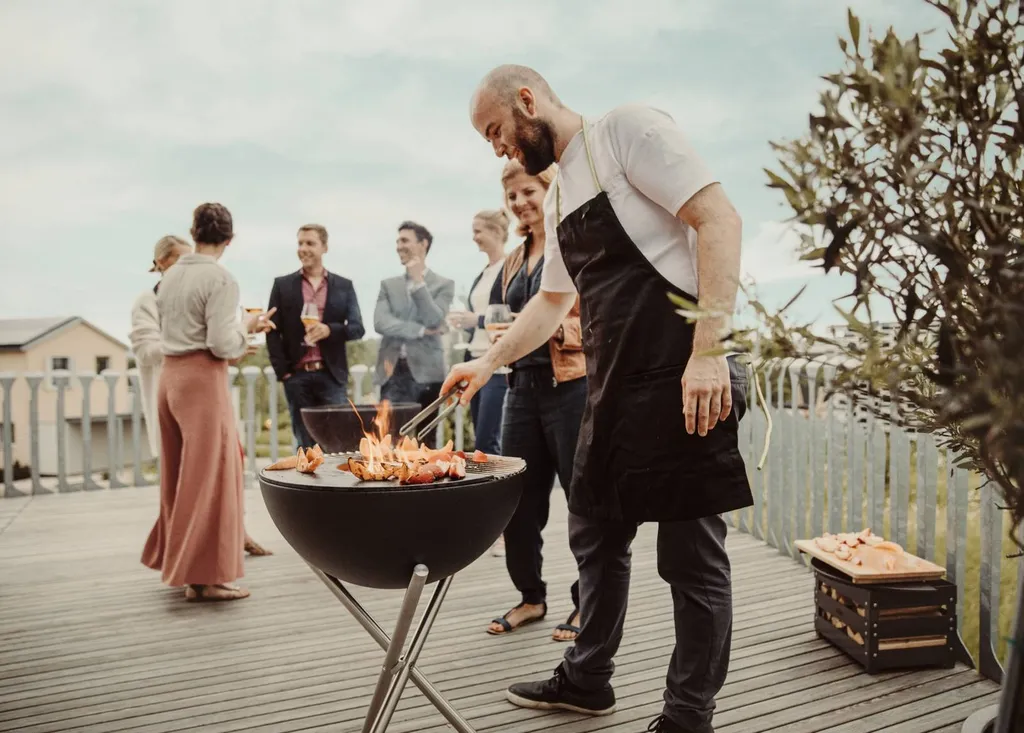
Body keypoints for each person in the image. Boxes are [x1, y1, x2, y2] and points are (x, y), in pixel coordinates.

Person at [443, 65, 753, 733]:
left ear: (528, 101)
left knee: (690, 558)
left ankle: (687, 716)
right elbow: (553, 302)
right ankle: (587, 680)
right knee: (594, 530)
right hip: (614, 386)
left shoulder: (625, 132)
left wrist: (708, 352)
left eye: (495, 130)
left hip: (682, 374)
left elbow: (719, 220)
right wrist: (487, 362)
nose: (496, 148)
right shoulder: (559, 196)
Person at [141, 203, 275, 602]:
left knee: (179, 474)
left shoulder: (169, 278)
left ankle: (181, 563)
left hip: (170, 379)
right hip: (201, 381)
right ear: (229, 239)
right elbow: (220, 344)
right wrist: (246, 328)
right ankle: (206, 579)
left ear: (193, 233)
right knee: (213, 474)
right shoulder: (220, 279)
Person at [480, 159, 586, 643]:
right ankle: (531, 597)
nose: (521, 202)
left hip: (571, 389)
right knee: (517, 504)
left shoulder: (575, 244)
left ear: (550, 189)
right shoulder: (512, 261)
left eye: (528, 192)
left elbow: (598, 321)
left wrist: (550, 331)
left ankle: (587, 602)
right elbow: (501, 320)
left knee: (583, 503)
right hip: (519, 390)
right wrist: (501, 337)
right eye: (512, 196)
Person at [266, 223, 365, 449]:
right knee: (305, 445)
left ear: (324, 247)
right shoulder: (282, 285)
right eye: (300, 243)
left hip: (332, 377)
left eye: (310, 243)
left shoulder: (344, 286)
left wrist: (330, 330)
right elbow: (272, 330)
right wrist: (284, 373)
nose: (303, 248)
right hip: (297, 377)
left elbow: (357, 328)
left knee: (339, 443)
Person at [373, 220, 455, 439]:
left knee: (426, 442)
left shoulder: (444, 284)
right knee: (390, 440)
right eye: (397, 241)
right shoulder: (388, 285)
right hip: (392, 374)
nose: (399, 246)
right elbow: (380, 322)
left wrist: (419, 283)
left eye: (404, 240)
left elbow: (434, 320)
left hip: (428, 374)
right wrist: (419, 330)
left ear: (423, 244)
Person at [446, 209, 510, 457]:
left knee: (487, 440)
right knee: (480, 438)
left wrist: (478, 320)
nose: (474, 237)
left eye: (478, 231)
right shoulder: (483, 273)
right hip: (475, 360)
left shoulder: (510, 267)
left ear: (496, 232)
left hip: (497, 367)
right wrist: (467, 322)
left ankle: (497, 481)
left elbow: (511, 314)